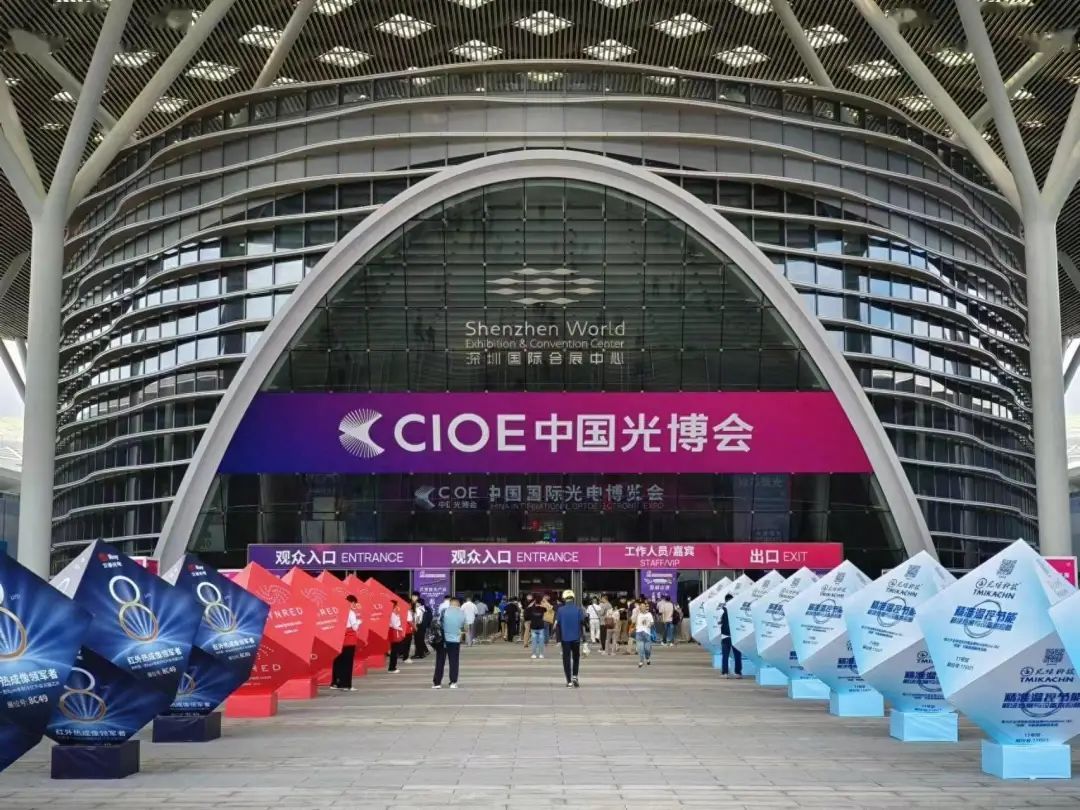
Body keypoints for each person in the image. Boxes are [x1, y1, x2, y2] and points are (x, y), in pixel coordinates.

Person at [553, 589, 587, 688]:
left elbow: (557, 625)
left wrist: (558, 640)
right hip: (576, 638)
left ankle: (569, 681)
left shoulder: (560, 610)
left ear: (564, 599)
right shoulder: (578, 609)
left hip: (565, 638)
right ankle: (575, 676)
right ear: (573, 598)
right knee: (576, 658)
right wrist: (584, 640)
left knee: (566, 659)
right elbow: (582, 624)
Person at [433, 596, 466, 689]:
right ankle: (453, 682)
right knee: (454, 661)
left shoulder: (444, 611)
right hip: (455, 641)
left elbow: (437, 623)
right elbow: (464, 626)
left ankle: (437, 683)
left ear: (450, 603)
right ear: (458, 603)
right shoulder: (462, 612)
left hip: (442, 640)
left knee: (440, 661)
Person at [330, 595, 361, 690]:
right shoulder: (351, 613)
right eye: (354, 603)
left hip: (340, 639)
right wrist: (359, 621)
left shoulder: (339, 611)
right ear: (351, 603)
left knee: (339, 661)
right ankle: (346, 685)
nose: (355, 605)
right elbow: (355, 627)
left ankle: (335, 683)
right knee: (348, 663)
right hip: (349, 640)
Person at [720, 593, 743, 678]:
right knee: (737, 655)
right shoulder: (737, 610)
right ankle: (738, 673)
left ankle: (725, 673)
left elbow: (719, 622)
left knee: (725, 656)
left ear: (725, 601)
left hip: (725, 636)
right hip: (735, 636)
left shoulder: (722, 610)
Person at [634, 598, 655, 668]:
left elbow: (652, 622)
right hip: (639, 633)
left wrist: (650, 625)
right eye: (641, 606)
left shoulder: (649, 614)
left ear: (646, 607)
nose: (642, 607)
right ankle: (641, 661)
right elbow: (633, 621)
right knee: (640, 649)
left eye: (644, 606)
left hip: (647, 633)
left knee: (647, 649)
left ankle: (647, 658)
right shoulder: (638, 614)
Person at [525, 594, 546, 659]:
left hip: (533, 626)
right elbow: (548, 609)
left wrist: (531, 604)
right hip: (541, 626)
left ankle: (534, 654)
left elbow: (526, 613)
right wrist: (543, 603)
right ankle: (541, 654)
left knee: (534, 641)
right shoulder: (543, 608)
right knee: (541, 641)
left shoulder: (531, 608)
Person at [387, 600, 405, 673]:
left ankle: (393, 667)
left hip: (395, 632)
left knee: (395, 650)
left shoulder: (394, 614)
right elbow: (395, 625)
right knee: (394, 651)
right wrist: (402, 629)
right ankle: (392, 668)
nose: (397, 607)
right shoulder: (392, 614)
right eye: (396, 605)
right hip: (395, 632)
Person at [412, 594, 430, 660]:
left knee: (417, 641)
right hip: (422, 626)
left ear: (419, 603)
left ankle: (419, 654)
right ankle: (422, 654)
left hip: (418, 626)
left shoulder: (418, 609)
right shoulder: (423, 609)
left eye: (416, 602)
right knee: (420, 640)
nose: (415, 603)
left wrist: (415, 625)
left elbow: (417, 619)